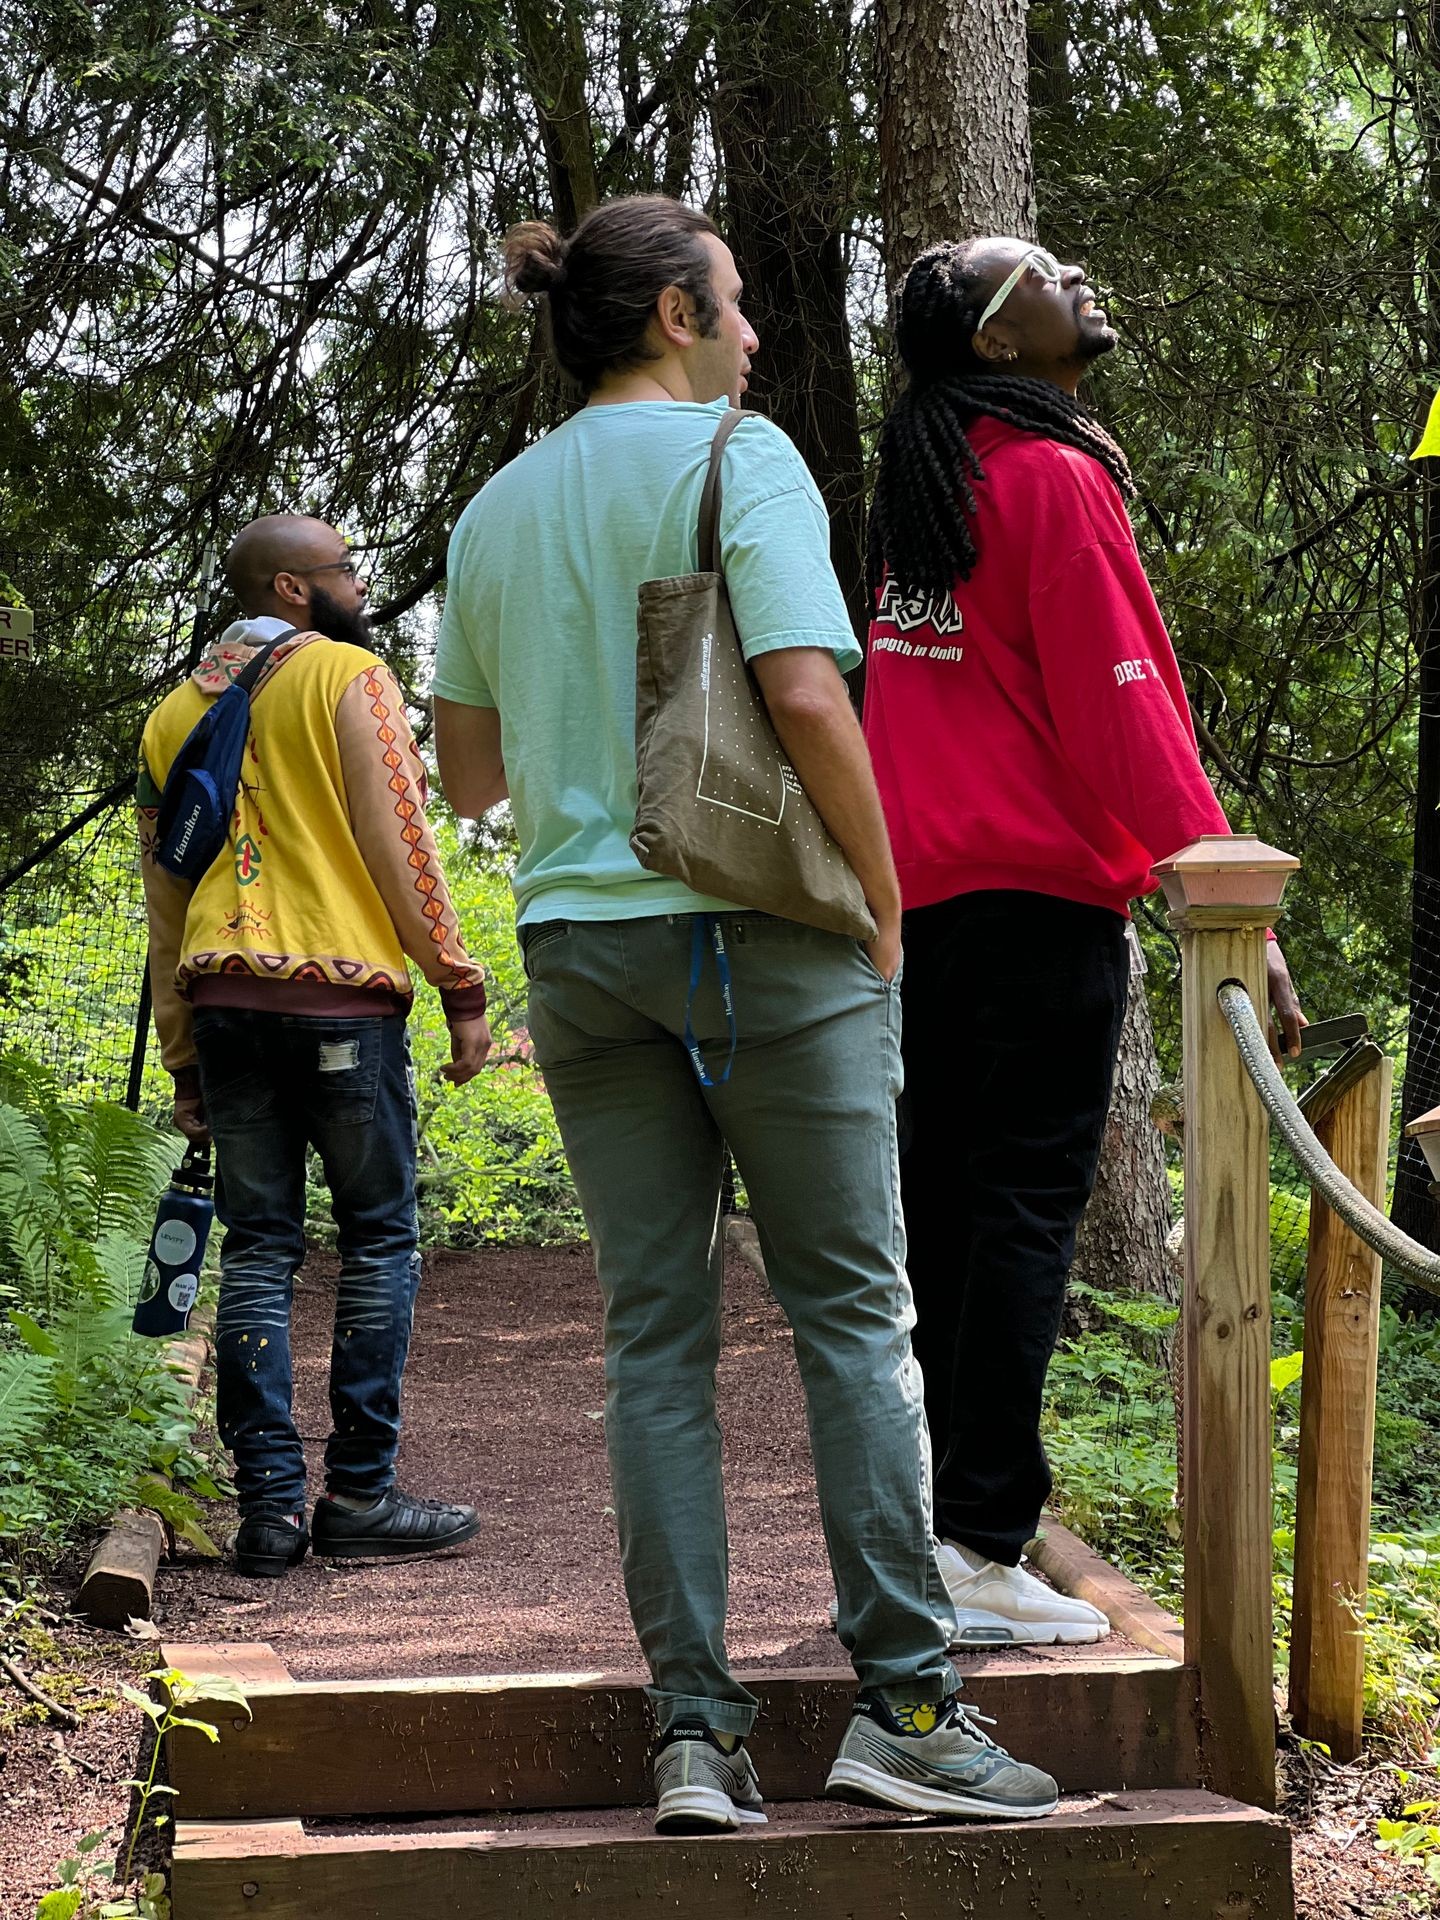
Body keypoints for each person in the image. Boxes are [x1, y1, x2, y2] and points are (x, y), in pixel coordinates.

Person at [431, 196, 1058, 1832]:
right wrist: (881, 890)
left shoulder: (497, 509)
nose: (761, 335)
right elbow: (799, 686)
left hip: (579, 945)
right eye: (736, 308)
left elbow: (472, 774)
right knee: (856, 1316)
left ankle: (693, 1737)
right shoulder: (740, 457)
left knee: (656, 1348)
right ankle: (907, 1712)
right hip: (757, 935)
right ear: (674, 321)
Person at [862, 238, 1306, 1646]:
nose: (1079, 276)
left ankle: (937, 1532)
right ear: (998, 343)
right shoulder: (1049, 477)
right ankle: (984, 1550)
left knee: (944, 1213)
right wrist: (1222, 885)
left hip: (920, 907)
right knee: (1016, 1220)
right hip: (1038, 907)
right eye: (1042, 271)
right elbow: (1124, 706)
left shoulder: (931, 487)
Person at [138, 515, 491, 1579]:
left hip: (226, 1003)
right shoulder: (349, 676)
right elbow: (404, 849)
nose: (360, 581)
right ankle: (362, 1497)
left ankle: (270, 1513)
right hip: (341, 1001)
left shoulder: (172, 712)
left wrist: (183, 1052)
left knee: (259, 1246)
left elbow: (163, 903)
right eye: (343, 568)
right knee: (379, 1238)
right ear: (291, 587)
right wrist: (460, 984)